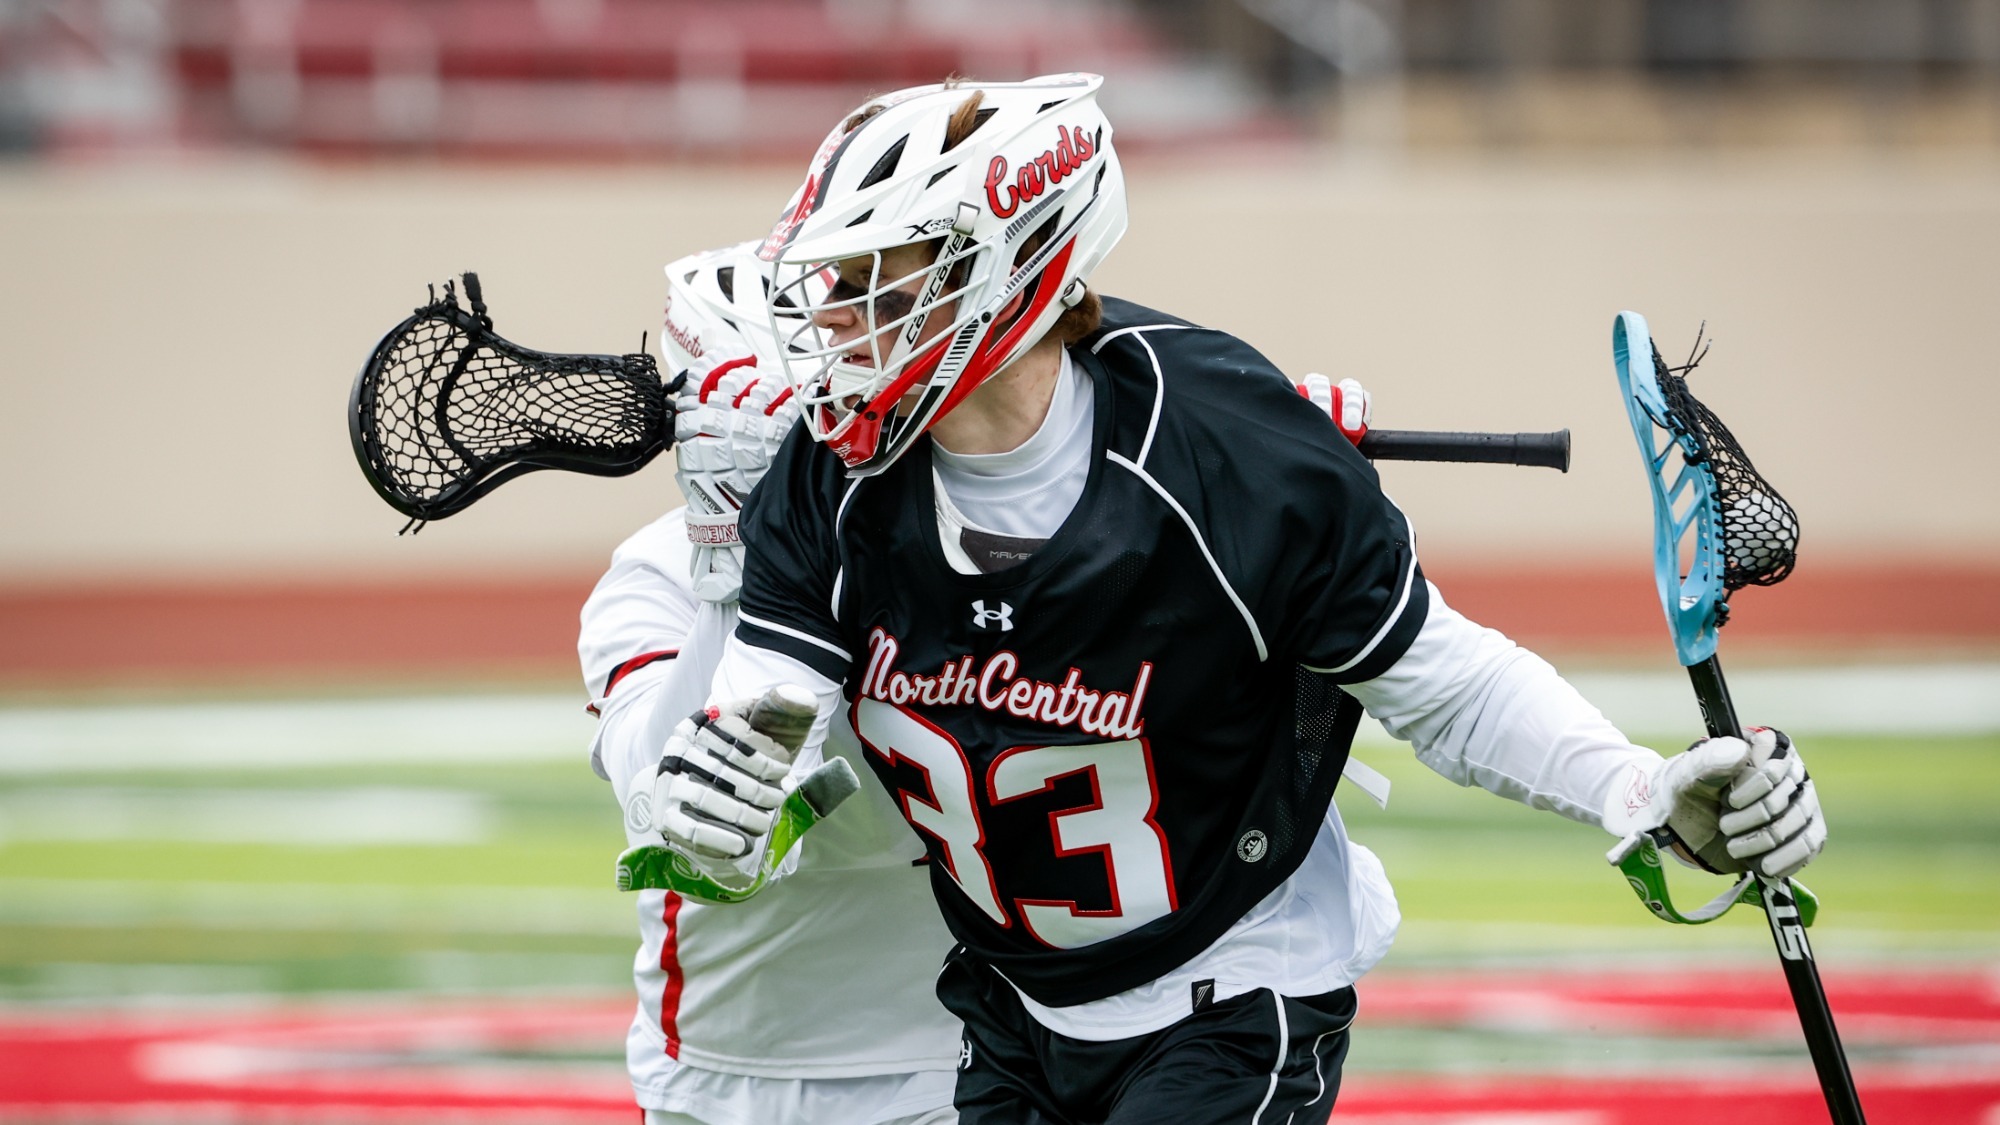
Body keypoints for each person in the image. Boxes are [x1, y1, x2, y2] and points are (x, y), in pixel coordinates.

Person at [641, 75, 1828, 1124]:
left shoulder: (1229, 458)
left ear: (1008, 268)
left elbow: (1443, 684)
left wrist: (1632, 783)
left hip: (1234, 968)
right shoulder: (830, 473)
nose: (832, 321)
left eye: (871, 279)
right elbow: (766, 713)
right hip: (1013, 998)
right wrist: (729, 806)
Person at [579, 242, 962, 1125]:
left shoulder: (959, 543)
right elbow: (665, 804)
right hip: (718, 1064)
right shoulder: (654, 572)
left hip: (947, 1054)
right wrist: (731, 559)